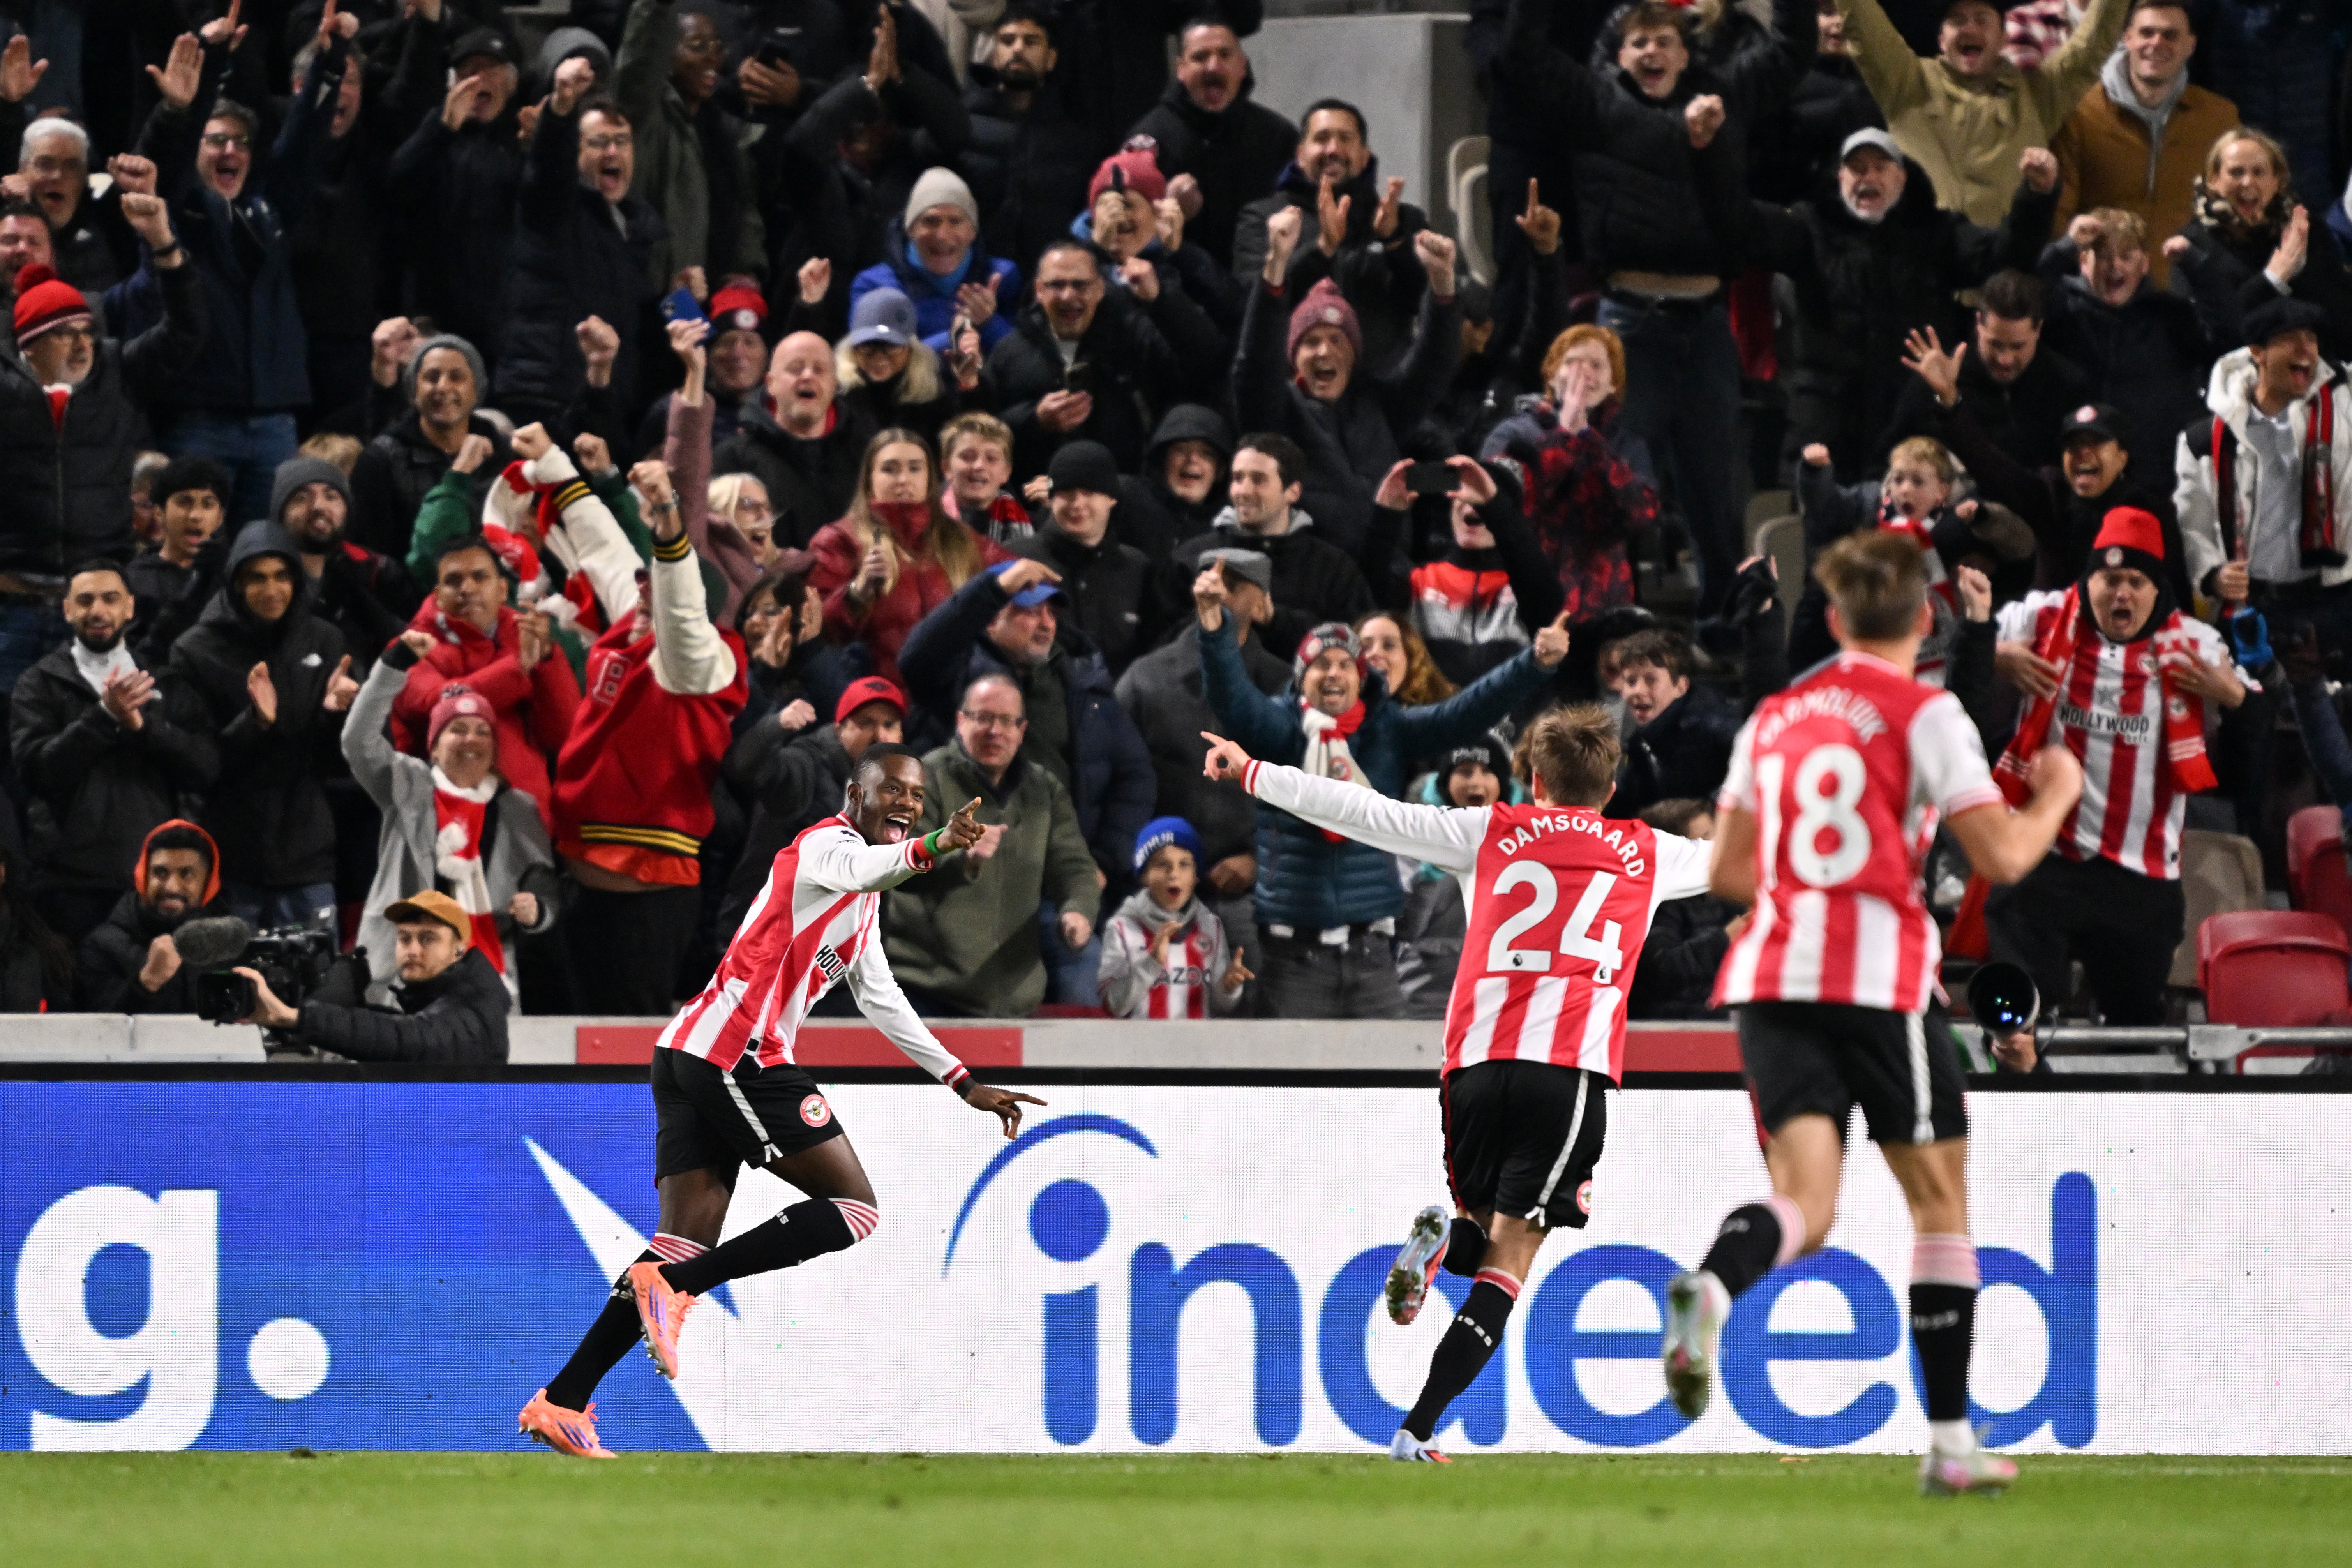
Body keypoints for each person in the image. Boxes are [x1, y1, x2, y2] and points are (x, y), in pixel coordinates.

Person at [1659, 529, 2085, 1497]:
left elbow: (1727, 873)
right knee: (1938, 1205)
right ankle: (1948, 1442)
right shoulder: (1926, 714)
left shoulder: (1772, 717)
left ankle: (1712, 1287)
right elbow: (2004, 857)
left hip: (1768, 979)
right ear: (1924, 619)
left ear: (1838, 619)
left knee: (1806, 1208)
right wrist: (2056, 791)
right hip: (1872, 975)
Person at [1197, 702, 1711, 1461]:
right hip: (1566, 1069)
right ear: (1609, 789)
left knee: (1482, 1226)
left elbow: (1364, 810)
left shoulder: (1488, 829)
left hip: (1471, 1067)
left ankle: (1439, 1251)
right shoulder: (1648, 850)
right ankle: (1419, 1427)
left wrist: (1251, 771)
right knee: (1513, 1257)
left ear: (1534, 778)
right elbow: (1755, 853)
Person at [518, 746, 1037, 1458]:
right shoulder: (829, 847)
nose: (908, 803)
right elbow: (868, 866)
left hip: (691, 1053)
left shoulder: (862, 904)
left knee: (676, 1242)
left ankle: (562, 1400)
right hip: (738, 1052)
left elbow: (881, 998)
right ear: (856, 793)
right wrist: (939, 845)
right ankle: (682, 1289)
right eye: (893, 789)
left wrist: (963, 1082)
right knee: (852, 1211)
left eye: (918, 796)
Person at [1496, 0, 1815, 611]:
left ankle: (1723, 632)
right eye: (1638, 42)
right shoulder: (1594, 104)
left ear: (1686, 52)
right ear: (1618, 56)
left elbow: (1792, 52)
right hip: (1626, 329)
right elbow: (1522, 56)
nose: (1652, 53)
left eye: (1664, 40)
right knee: (1612, 493)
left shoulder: (1721, 96)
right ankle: (1615, 624)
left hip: (1706, 327)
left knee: (1716, 496)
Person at [1202, 596, 1571, 1019]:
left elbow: (1464, 714)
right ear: (1301, 677)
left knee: (1393, 1084)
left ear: (1361, 678)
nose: (1334, 673)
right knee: (1293, 1084)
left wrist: (1532, 663)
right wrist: (1215, 629)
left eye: (1346, 664)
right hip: (1292, 960)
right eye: (1321, 664)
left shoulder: (1387, 729)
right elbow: (1232, 698)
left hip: (1372, 959)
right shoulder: (1278, 728)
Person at [1985, 507, 2249, 1022]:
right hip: (2047, 859)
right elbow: (1940, 650)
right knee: (2020, 1020)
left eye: (2135, 580)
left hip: (2140, 875)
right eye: (2108, 579)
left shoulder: (2194, 645)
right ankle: (2020, 1097)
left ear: (2156, 590)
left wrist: (2232, 696)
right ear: (2089, 581)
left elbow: (2252, 706)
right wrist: (1994, 657)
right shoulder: (2039, 618)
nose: (2120, 593)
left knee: (2134, 1030)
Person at [1708, 129, 2057, 478]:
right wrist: (1707, 154)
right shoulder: (1809, 228)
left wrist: (2035, 196)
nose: (1868, 178)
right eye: (1857, 169)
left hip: (1912, 414)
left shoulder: (1936, 232)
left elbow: (2004, 257)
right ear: (1840, 177)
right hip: (1826, 417)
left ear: (1902, 177)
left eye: (1880, 167)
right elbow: (1743, 227)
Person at [551, 456, 748, 1016]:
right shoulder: (629, 635)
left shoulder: (697, 663)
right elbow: (606, 554)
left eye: (656, 584)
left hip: (647, 903)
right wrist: (555, 467)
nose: (642, 592)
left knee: (627, 1059)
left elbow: (682, 614)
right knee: (571, 1059)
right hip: (581, 888)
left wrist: (667, 517)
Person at [137, 7, 349, 524]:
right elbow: (169, 159)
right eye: (217, 140)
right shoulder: (174, 209)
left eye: (241, 142)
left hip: (274, 420)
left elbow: (302, 146)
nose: (231, 150)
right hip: (198, 418)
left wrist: (330, 63)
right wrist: (208, 71)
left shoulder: (266, 210)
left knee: (267, 555)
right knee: (196, 556)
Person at [0, 192, 200, 646]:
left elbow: (187, 331)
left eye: (86, 331)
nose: (81, 345)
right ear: (29, 345)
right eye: (63, 334)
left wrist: (164, 244)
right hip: (12, 604)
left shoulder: (118, 370)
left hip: (98, 603)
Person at [896, 555, 1157, 896]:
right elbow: (917, 658)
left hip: (1059, 884)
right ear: (991, 621)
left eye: (1051, 613)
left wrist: (1103, 861)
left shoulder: (1081, 681)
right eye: (1031, 612)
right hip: (970, 883)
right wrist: (992, 589)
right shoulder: (957, 674)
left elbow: (1135, 774)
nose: (1046, 624)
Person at [346, 635, 561, 1009]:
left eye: (482, 731)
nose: (470, 739)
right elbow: (357, 740)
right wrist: (393, 664)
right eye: (457, 729)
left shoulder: (517, 807)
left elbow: (542, 879)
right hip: (403, 973)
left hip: (486, 976)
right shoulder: (405, 785)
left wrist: (538, 910)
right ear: (433, 746)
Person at [12, 563, 219, 947]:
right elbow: (38, 773)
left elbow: (205, 768)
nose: (98, 611)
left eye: (110, 599)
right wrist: (104, 717)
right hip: (68, 885)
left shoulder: (167, 682)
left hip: (154, 885)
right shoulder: (38, 683)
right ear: (68, 610)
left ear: (130, 608)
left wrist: (146, 728)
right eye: (86, 600)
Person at [168, 520, 358, 933]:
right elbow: (199, 763)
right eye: (257, 578)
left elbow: (335, 763)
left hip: (307, 855)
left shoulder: (325, 641)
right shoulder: (196, 650)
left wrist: (336, 714)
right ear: (236, 582)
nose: (271, 590)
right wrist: (254, 723)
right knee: (231, 988)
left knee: (315, 988)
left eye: (281, 576)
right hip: (232, 856)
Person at [1235, 212, 1460, 559]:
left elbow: (1432, 365)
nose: (1325, 351)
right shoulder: (1277, 414)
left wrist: (1442, 282)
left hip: (1390, 576)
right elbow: (1255, 364)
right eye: (1310, 342)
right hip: (1318, 581)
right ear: (1293, 358)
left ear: (1354, 355)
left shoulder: (1382, 404)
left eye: (1337, 340)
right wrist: (1276, 264)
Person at [884, 672, 1101, 1016]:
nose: (994, 731)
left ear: (1021, 730)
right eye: (983, 718)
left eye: (1006, 721)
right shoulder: (923, 778)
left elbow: (1074, 867)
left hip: (1014, 1004)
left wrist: (1078, 909)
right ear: (961, 721)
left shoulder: (1044, 789)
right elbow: (897, 865)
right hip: (926, 996)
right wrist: (960, 858)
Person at [1829, 0, 2126, 227]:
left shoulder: (2037, 96)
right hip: (1920, 282)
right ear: (1942, 41)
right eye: (1957, 21)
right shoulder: (1907, 82)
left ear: (2002, 39)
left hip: (1999, 286)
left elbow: (2092, 43)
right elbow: (1862, 22)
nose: (1969, 29)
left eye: (1982, 21)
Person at [2174, 298, 2352, 646]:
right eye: (2291, 339)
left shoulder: (2341, 408)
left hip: (2332, 599)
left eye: (2311, 338)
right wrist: (2212, 574)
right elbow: (2193, 524)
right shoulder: (2205, 439)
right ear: (2257, 352)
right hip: (2253, 604)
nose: (2306, 350)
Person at [496, 57, 662, 428]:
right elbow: (548, 170)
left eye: (622, 142)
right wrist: (562, 106)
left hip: (604, 398)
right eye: (598, 143)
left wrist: (686, 302)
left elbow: (645, 323)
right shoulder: (556, 209)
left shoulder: (639, 228)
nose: (613, 153)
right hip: (546, 395)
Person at [981, 238, 1224, 479]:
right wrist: (1034, 422)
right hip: (1037, 503)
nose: (1067, 296)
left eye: (1080, 285)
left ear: (1100, 289)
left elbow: (1206, 362)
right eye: (1057, 285)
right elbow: (985, 430)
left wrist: (1161, 300)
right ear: (1039, 291)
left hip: (1128, 495)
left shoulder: (1134, 339)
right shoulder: (1009, 353)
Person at [1230, 99, 1434, 375]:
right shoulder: (1265, 219)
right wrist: (1321, 250)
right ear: (1300, 155)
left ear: (1364, 157)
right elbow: (1253, 307)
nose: (1333, 150)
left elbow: (1429, 303)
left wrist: (1394, 243)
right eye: (1321, 139)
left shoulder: (1403, 221)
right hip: (1295, 389)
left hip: (1380, 391)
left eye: (1345, 139)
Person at [2045, 3, 2233, 289]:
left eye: (2170, 35)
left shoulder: (2219, 118)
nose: (2156, 43)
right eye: (2147, 33)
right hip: (2102, 295)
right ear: (2126, 38)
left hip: (2187, 301)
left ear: (2191, 45)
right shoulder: (2081, 113)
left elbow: (2229, 218)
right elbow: (2059, 216)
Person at [808, 428, 1004, 685]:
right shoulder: (838, 540)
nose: (903, 479)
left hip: (955, 701)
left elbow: (1014, 578)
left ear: (929, 479)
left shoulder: (961, 539)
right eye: (890, 469)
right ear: (869, 480)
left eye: (915, 469)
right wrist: (857, 593)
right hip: (879, 705)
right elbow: (817, 629)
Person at [238, 887, 510, 1062]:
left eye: (428, 939)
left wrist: (297, 1017)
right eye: (404, 938)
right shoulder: (435, 1003)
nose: (412, 950)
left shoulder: (476, 1008)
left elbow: (409, 1039)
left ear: (459, 950)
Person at [385, 26, 525, 362]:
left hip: (506, 322)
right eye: (467, 70)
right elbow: (396, 186)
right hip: (437, 320)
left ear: (510, 82)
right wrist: (443, 127)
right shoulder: (436, 134)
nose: (477, 79)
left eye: (489, 69)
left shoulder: (522, 140)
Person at [1172, 433, 1375, 663]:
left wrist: (1275, 620)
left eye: (1258, 480)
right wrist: (1208, 614)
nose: (1244, 491)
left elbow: (1353, 648)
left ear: (1293, 492)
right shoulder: (1191, 559)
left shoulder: (1333, 568)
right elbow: (1163, 649)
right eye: (1238, 478)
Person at [2038, 207, 2212, 462]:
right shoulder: (2061, 310)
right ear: (2083, 261)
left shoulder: (2172, 316)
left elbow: (2228, 335)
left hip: (2152, 474)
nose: (2114, 266)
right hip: (2075, 472)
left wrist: (2200, 268)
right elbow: (2024, 293)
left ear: (2145, 263)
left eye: (2126, 256)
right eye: (2103, 256)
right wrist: (2065, 247)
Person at [614, 0, 764, 293]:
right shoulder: (646, 120)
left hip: (717, 292)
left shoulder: (724, 129)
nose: (712, 57)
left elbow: (745, 206)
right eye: (697, 46)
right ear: (667, 60)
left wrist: (748, 268)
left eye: (717, 46)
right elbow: (638, 66)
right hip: (658, 292)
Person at [1881, 270, 2093, 476]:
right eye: (1995, 345)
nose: (2005, 360)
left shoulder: (2068, 386)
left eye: (2018, 347)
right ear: (1978, 323)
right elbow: (1885, 465)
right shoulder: (1937, 380)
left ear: (2038, 330)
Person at [2167, 128, 2352, 363]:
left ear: (2277, 181)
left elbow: (2343, 322)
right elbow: (2214, 337)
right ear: (2214, 180)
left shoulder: (2306, 232)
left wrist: (2306, 272)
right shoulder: (2194, 245)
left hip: (2315, 377)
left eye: (2259, 172)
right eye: (2236, 172)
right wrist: (2273, 279)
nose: (2247, 182)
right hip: (2232, 386)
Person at [1130, 19, 1297, 272]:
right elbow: (1121, 235)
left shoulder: (1277, 136)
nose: (1213, 66)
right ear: (1181, 69)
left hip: (1262, 286)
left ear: (1242, 65)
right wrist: (1163, 214)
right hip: (1178, 291)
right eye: (1200, 57)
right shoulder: (1150, 139)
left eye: (1225, 55)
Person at [957, 5, 1094, 277]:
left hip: (1049, 288)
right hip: (973, 284)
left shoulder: (1076, 141)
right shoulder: (965, 128)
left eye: (1030, 41)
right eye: (1007, 41)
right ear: (995, 55)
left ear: (1051, 59)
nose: (1017, 49)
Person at [349, 333, 511, 560]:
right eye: (432, 377)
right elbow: (373, 560)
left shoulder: (504, 454)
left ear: (477, 392)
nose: (443, 387)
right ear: (414, 393)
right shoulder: (380, 461)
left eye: (457, 377)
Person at [1008, 439, 1160, 674]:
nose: (1077, 503)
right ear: (1051, 498)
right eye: (1066, 492)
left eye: (1089, 492)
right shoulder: (1015, 559)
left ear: (1112, 498)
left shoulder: (1137, 568)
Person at [713, 330, 874, 550]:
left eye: (820, 370)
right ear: (771, 384)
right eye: (795, 369)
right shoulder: (732, 459)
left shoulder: (866, 454)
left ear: (835, 385)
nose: (808, 376)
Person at [849, 166, 1021, 358]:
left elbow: (1022, 364)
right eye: (930, 221)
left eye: (955, 221)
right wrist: (953, 338)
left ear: (972, 231)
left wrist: (990, 323)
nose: (942, 236)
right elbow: (872, 362)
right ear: (910, 229)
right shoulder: (875, 287)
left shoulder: (1002, 278)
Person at [272, 454, 420, 668]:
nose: (318, 507)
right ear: (280, 512)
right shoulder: (260, 570)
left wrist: (359, 597)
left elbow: (411, 645)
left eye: (331, 497)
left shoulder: (376, 569)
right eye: (301, 498)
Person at [1098, 815, 1250, 1018]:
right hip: (1141, 1047)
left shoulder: (1210, 925)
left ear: (1196, 876)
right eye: (1162, 865)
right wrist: (1152, 962)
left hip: (1196, 1047)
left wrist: (1228, 988)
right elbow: (1113, 1006)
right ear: (1144, 875)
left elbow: (1220, 1006)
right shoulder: (1123, 928)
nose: (1174, 874)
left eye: (1184, 865)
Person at [76, 819, 222, 1014]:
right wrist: (147, 983)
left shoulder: (230, 947)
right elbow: (96, 1033)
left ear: (208, 883)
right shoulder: (102, 946)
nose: (171, 887)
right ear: (143, 877)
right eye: (160, 873)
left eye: (186, 874)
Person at [1627, 797, 1743, 1018]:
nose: (1716, 848)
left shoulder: (1725, 892)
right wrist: (1727, 938)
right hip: (1671, 1028)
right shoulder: (1657, 903)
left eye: (1717, 836)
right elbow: (1662, 968)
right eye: (1705, 841)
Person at [123, 455, 226, 652]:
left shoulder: (234, 576)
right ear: (160, 513)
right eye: (184, 502)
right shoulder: (135, 579)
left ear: (220, 517)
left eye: (207, 504)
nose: (195, 516)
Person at [1116, 403, 1231, 564]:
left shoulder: (1230, 530)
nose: (1192, 460)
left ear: (1220, 472)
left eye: (1207, 454)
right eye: (1181, 450)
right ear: (1163, 460)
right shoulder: (1127, 498)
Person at [939, 410, 1033, 545]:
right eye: (967, 457)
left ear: (1007, 472)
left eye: (991, 458)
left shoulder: (1021, 521)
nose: (979, 466)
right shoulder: (925, 519)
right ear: (946, 467)